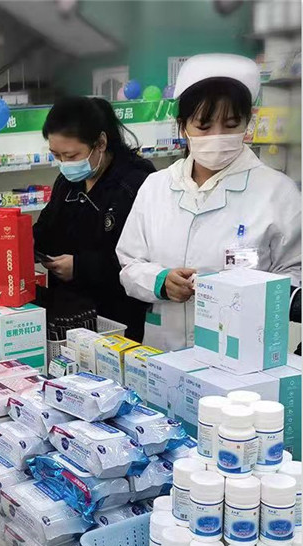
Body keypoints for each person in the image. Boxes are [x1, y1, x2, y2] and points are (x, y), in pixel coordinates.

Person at [116, 54, 301, 352]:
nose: (218, 137)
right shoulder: (155, 187)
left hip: (243, 351)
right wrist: (161, 282)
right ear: (182, 127)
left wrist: (241, 292)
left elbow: (294, 275)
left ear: (247, 124)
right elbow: (130, 264)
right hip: (165, 348)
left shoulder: (277, 191)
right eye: (203, 126)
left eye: (231, 125)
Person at [33, 96, 155, 341]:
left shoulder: (136, 184)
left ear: (100, 143)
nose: (64, 164)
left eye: (71, 156)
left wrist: (80, 268)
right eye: (56, 156)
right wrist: (25, 244)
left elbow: (142, 259)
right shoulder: (68, 182)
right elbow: (47, 226)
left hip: (117, 315)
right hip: (68, 312)